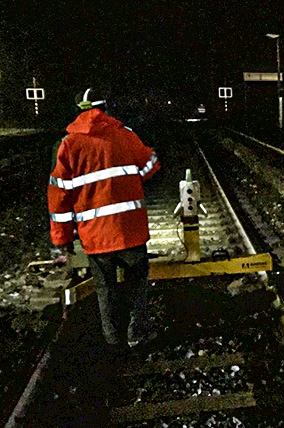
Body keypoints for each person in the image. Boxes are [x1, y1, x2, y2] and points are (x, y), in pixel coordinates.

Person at [48, 88, 160, 351]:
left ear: (80, 111)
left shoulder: (68, 145)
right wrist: (131, 176)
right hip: (130, 231)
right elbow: (150, 164)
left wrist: (62, 237)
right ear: (106, 107)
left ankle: (112, 340)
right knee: (137, 282)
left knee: (105, 288)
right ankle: (138, 332)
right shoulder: (125, 135)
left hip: (95, 236)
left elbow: (59, 198)